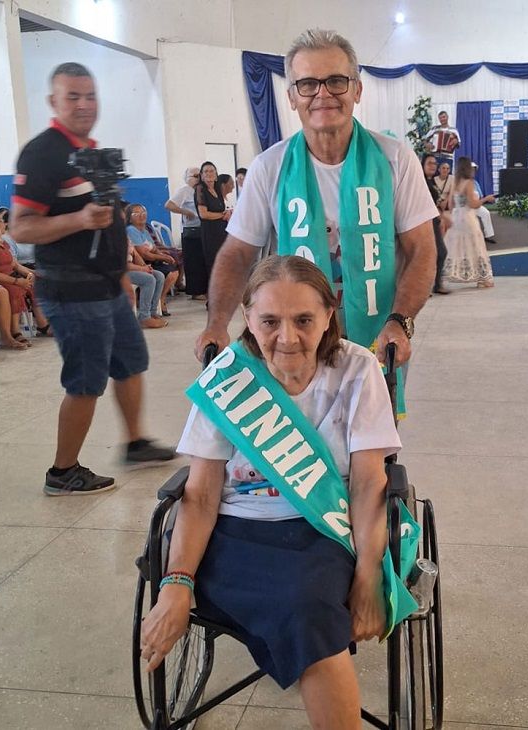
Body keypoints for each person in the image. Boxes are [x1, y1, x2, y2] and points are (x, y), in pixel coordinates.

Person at [141, 255, 402, 729]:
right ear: (247, 318)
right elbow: (200, 496)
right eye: (269, 321)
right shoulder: (227, 377)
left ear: (329, 313)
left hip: (325, 528)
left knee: (307, 606)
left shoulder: (356, 369)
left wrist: (369, 574)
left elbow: (368, 483)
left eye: (303, 320)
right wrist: (176, 583)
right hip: (232, 533)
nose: (287, 338)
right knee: (304, 611)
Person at [195, 29, 438, 368]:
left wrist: (400, 321)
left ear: (357, 89)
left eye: (336, 81)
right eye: (308, 84)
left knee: (373, 404)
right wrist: (217, 323)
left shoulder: (395, 159)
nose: (323, 94)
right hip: (294, 340)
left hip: (378, 337)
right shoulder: (269, 167)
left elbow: (422, 250)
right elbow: (237, 253)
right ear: (292, 97)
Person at [9, 61, 175, 496]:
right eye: (73, 97)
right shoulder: (42, 153)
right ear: (54, 101)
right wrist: (80, 219)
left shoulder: (92, 153)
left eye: (90, 95)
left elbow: (110, 224)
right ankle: (62, 472)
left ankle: (136, 442)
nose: (84, 104)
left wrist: (120, 276)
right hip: (72, 290)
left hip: (107, 286)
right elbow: (21, 227)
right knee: (85, 382)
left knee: (130, 363)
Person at [0, 210, 51, 338]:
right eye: (0, 221)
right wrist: (16, 281)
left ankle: (42, 325)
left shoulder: (2, 242)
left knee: (36, 283)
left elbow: (15, 265)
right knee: (15, 289)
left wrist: (34, 273)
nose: (4, 224)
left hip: (10, 275)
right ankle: (15, 331)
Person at [444, 156, 494, 288]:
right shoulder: (469, 182)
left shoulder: (454, 183)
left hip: (456, 217)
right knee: (476, 245)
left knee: (456, 246)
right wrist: (486, 199)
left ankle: (451, 273)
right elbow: (473, 204)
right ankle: (483, 278)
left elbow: (450, 204)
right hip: (467, 217)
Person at [126, 204, 179, 316]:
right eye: (137, 213)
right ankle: (146, 314)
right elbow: (144, 254)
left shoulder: (145, 230)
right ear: (129, 218)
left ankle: (155, 309)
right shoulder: (131, 230)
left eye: (143, 212)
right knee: (153, 277)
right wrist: (145, 267)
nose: (142, 215)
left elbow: (153, 248)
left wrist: (162, 255)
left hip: (146, 263)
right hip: (137, 265)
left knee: (169, 270)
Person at [165, 167, 207, 300]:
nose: (198, 178)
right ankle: (195, 291)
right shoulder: (184, 190)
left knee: (202, 261)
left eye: (199, 175)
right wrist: (185, 211)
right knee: (193, 262)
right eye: (195, 176)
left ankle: (204, 288)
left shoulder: (201, 190)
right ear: (187, 178)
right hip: (191, 230)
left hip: (202, 228)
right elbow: (169, 205)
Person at [195, 161, 232, 281]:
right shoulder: (200, 189)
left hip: (222, 231)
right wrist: (222, 215)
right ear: (201, 175)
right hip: (210, 233)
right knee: (214, 264)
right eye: (206, 171)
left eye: (211, 171)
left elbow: (221, 210)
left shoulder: (217, 189)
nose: (209, 173)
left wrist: (227, 213)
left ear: (216, 174)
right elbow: (204, 214)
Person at [422, 154, 450, 294]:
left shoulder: (431, 182)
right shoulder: (420, 182)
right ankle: (425, 287)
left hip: (433, 220)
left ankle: (436, 284)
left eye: (435, 163)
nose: (433, 166)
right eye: (429, 163)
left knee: (440, 252)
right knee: (427, 254)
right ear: (422, 165)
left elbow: (438, 203)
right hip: (423, 222)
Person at [126, 241, 167, 328]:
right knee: (149, 280)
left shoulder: (124, 237)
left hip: (131, 268)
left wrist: (145, 266)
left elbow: (135, 254)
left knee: (159, 276)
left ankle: (152, 312)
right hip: (119, 272)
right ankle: (144, 317)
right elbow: (123, 265)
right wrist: (142, 269)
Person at [470, 162, 497, 245]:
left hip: (477, 205)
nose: (473, 172)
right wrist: (486, 199)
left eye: (474, 170)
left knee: (485, 213)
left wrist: (488, 199)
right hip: (467, 208)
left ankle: (488, 235)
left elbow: (481, 197)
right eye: (471, 170)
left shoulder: (475, 183)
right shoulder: (463, 183)